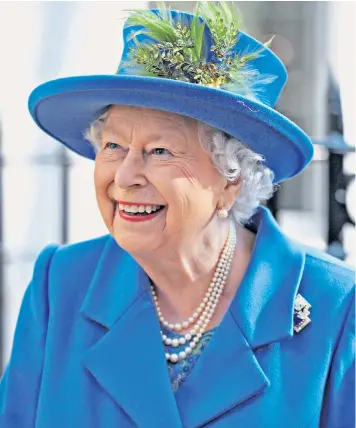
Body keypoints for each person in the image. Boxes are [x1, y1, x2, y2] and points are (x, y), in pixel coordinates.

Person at [0, 2, 354, 427]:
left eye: (159, 151)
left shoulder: (337, 307)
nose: (126, 175)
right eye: (113, 146)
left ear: (231, 180)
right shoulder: (60, 285)